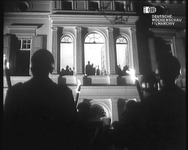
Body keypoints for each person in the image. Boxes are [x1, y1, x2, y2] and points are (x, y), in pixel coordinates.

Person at [3, 49, 77, 150]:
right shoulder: (64, 93)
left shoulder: (15, 92)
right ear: (51, 68)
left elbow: (8, 130)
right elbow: (71, 131)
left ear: (31, 68)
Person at [111, 54, 185, 150]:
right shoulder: (182, 98)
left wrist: (118, 125)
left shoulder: (150, 103)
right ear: (177, 75)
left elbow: (126, 137)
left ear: (158, 76)